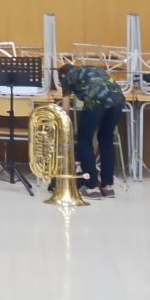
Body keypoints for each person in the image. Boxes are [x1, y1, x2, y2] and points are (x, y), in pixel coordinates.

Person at [60, 63, 127, 199]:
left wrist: (62, 127)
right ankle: (108, 187)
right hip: (118, 100)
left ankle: (92, 187)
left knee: (84, 141)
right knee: (106, 140)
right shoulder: (94, 69)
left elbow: (65, 109)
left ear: (62, 75)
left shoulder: (67, 77)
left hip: (95, 101)